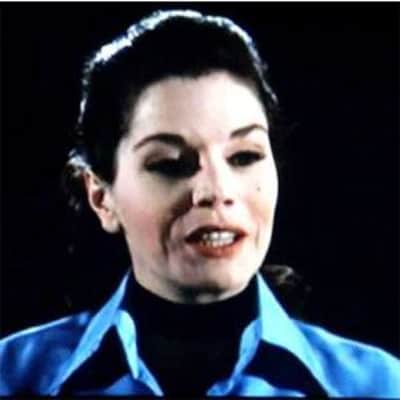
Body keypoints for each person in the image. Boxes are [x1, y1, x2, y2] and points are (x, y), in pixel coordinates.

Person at [1, 9, 399, 397]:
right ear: (101, 197)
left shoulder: (379, 385)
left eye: (244, 156)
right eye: (171, 164)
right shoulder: (13, 377)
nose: (216, 189)